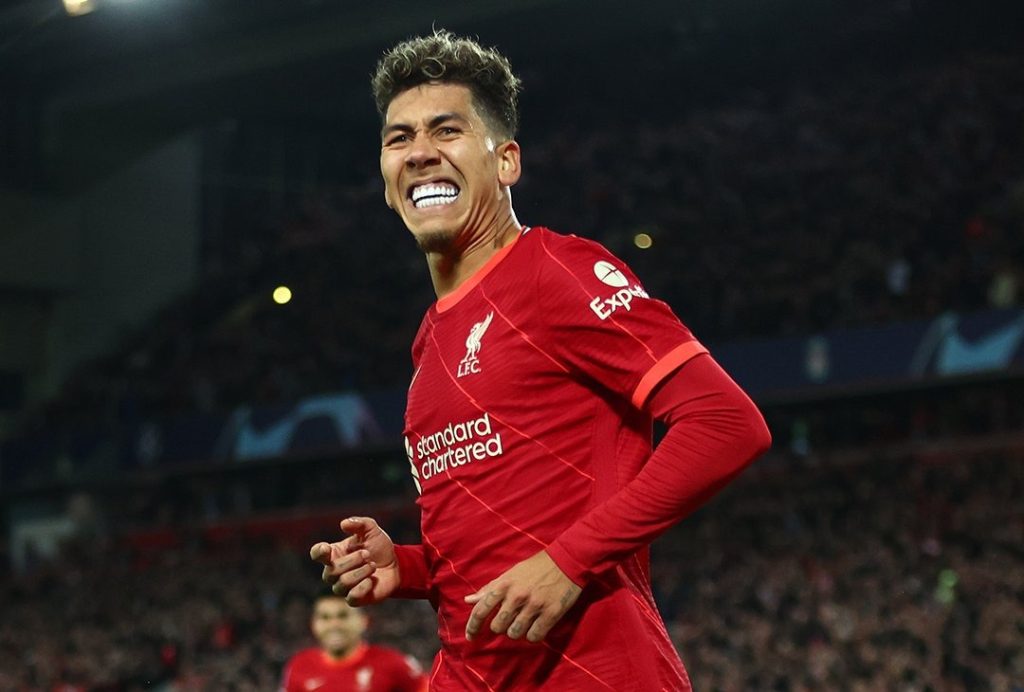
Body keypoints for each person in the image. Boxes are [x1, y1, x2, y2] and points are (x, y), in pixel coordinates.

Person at [311, 29, 772, 690]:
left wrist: (570, 560)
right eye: (399, 138)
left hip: (593, 671)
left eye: (447, 131)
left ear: (506, 162)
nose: (419, 153)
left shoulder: (555, 271)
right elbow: (496, 540)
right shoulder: (429, 338)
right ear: (386, 182)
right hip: (471, 674)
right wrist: (407, 568)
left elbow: (726, 423)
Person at [280, 589, 427, 692]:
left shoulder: (393, 663)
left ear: (363, 621)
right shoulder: (299, 666)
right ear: (313, 624)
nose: (334, 625)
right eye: (325, 617)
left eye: (343, 616)